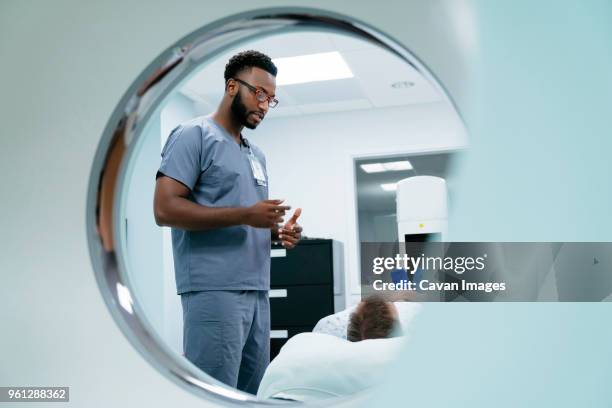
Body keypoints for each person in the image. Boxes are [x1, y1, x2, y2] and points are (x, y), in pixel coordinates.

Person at [153, 50, 302, 394]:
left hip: (257, 291)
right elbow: (164, 209)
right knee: (215, 395)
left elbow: (248, 216)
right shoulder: (193, 135)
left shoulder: (255, 153)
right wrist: (246, 215)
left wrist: (279, 231)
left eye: (272, 99)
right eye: (260, 93)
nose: (265, 105)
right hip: (214, 290)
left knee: (252, 394)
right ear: (232, 86)